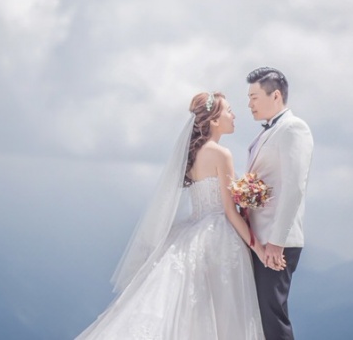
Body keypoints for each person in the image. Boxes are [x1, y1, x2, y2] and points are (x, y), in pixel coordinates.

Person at [76, 92, 275, 339]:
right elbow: (229, 212)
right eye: (229, 110)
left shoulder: (193, 154)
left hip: (191, 230)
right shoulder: (221, 154)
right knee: (221, 311)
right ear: (214, 120)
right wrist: (258, 249)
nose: (234, 115)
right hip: (218, 235)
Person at [245, 67, 314, 340]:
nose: (249, 104)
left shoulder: (293, 128)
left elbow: (294, 186)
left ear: (275, 95)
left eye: (254, 97)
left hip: (276, 242)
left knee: (272, 315)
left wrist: (277, 241)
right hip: (260, 238)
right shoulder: (269, 132)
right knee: (260, 316)